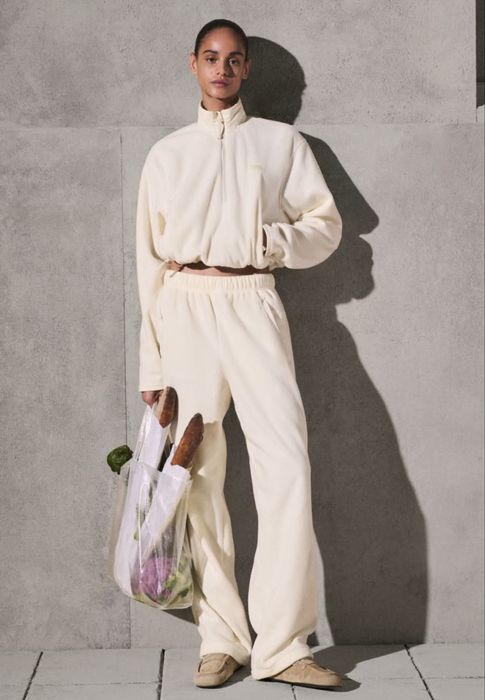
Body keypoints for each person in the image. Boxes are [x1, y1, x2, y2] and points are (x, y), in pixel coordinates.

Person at [135, 18, 344, 690]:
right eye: (210, 57)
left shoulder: (281, 143)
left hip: (253, 301)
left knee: (286, 463)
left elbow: (325, 226)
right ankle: (221, 637)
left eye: (233, 59)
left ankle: (283, 646)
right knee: (196, 474)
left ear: (246, 68)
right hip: (184, 307)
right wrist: (152, 364)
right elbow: (148, 265)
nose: (221, 69)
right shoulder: (166, 154)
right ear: (192, 64)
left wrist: (269, 244)